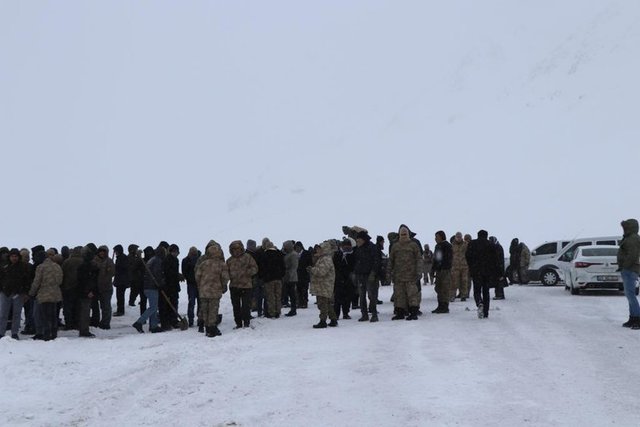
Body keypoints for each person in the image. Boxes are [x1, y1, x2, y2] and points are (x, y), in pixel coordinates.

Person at [195, 242, 229, 337]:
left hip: (204, 291)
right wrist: (223, 285)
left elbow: (197, 276)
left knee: (205, 310)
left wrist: (201, 285)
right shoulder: (221, 264)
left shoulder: (203, 264)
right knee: (213, 310)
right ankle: (212, 328)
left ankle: (207, 327)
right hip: (215, 290)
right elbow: (225, 277)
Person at [28, 248, 63, 341]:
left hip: (43, 293)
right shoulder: (57, 266)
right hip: (55, 293)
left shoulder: (40, 267)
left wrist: (31, 293)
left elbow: (36, 282)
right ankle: (54, 333)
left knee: (44, 315)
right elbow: (60, 281)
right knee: (53, 315)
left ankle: (46, 334)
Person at [389, 226, 423, 320]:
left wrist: (419, 271)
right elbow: (391, 260)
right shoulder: (395, 246)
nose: (403, 236)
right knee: (399, 296)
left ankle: (413, 313)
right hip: (398, 276)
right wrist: (388, 273)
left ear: (408, 234)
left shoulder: (413, 245)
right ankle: (400, 313)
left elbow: (419, 259)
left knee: (412, 295)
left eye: (405, 234)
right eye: (402, 234)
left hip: (411, 276)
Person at [466, 230, 499, 319]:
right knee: (486, 291)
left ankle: (479, 302)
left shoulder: (472, 244)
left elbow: (468, 256)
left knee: (477, 290)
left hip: (476, 271)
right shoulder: (491, 244)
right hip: (487, 272)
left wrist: (471, 267)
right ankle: (486, 312)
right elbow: (496, 259)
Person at [132, 246, 165, 333]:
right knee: (153, 307)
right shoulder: (157, 261)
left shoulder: (152, 260)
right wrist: (160, 284)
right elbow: (157, 274)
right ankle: (139, 322)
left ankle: (153, 326)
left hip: (147, 286)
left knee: (153, 306)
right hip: (152, 286)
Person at [227, 240, 259, 328]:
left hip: (246, 286)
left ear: (241, 248)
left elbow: (255, 268)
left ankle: (246, 323)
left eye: (238, 248)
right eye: (234, 249)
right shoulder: (229, 261)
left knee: (246, 306)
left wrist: (247, 273)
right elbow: (226, 273)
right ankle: (238, 323)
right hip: (234, 287)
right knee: (236, 307)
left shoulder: (248, 257)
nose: (236, 251)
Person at [0, 249, 30, 339]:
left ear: (18, 257)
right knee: (3, 314)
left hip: (18, 293)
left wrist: (25, 292)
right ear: (9, 257)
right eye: (12, 256)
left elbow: (27, 280)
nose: (14, 258)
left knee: (17, 314)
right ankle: (1, 332)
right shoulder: (4, 266)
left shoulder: (23, 266)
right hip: (5, 293)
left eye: (16, 256)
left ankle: (14, 333)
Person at [353, 231, 381, 322]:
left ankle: (374, 314)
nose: (357, 242)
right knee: (362, 296)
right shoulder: (357, 249)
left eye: (359, 240)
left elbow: (377, 261)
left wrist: (373, 273)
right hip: (360, 275)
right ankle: (364, 314)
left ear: (363, 240)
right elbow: (356, 262)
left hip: (370, 275)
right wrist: (355, 273)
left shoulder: (372, 248)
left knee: (372, 296)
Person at [309, 241, 337, 328]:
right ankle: (333, 319)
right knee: (326, 304)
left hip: (324, 286)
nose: (317, 250)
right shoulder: (323, 258)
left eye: (319, 249)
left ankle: (323, 321)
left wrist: (312, 270)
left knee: (323, 304)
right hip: (323, 286)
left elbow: (322, 272)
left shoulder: (326, 259)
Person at [618, 219, 640, 329]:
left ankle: (637, 319)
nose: (624, 229)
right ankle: (633, 318)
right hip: (628, 269)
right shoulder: (629, 237)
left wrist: (625, 265)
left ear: (630, 227)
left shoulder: (633, 238)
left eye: (626, 227)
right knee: (629, 295)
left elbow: (633, 255)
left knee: (631, 295)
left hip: (630, 269)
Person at [76, 246, 99, 338]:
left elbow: (82, 281)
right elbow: (87, 280)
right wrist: (90, 291)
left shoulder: (83, 266)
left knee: (84, 311)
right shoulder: (89, 267)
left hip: (84, 291)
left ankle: (84, 329)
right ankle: (84, 330)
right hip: (87, 292)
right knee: (85, 311)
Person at [260, 238, 285, 319]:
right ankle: (278, 311)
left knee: (270, 296)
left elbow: (262, 268)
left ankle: (272, 312)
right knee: (278, 296)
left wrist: (263, 277)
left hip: (269, 279)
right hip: (278, 278)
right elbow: (283, 266)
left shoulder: (264, 255)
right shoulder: (279, 254)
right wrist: (281, 275)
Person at [91, 246, 115, 329]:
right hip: (96, 287)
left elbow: (112, 273)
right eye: (100, 251)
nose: (102, 253)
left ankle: (105, 323)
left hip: (106, 287)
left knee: (106, 306)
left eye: (103, 251)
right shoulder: (94, 260)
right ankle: (96, 321)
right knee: (97, 306)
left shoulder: (109, 261)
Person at [61, 246, 83, 329]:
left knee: (68, 307)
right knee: (78, 306)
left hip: (68, 287)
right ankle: (77, 323)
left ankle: (69, 324)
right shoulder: (83, 261)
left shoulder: (67, 261)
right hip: (79, 287)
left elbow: (62, 273)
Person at [161, 244, 182, 330]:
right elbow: (168, 273)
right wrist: (176, 276)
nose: (177, 254)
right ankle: (171, 320)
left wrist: (177, 275)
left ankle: (173, 320)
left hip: (173, 285)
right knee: (170, 304)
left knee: (174, 303)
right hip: (169, 286)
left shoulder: (175, 260)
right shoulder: (167, 260)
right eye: (176, 252)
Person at [333, 239, 356, 319]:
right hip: (338, 278)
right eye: (345, 246)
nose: (346, 247)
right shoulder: (337, 254)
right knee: (338, 298)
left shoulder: (352, 255)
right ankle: (336, 314)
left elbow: (353, 266)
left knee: (347, 298)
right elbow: (335, 266)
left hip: (348, 279)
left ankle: (345, 313)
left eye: (348, 246)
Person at [432, 231, 453, 314]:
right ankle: (440, 305)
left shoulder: (447, 246)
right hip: (439, 270)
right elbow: (436, 258)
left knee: (445, 288)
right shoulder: (438, 246)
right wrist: (434, 268)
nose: (435, 239)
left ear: (441, 237)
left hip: (445, 270)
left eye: (436, 237)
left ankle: (445, 306)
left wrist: (443, 266)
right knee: (438, 288)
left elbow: (448, 258)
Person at [182, 246, 200, 328]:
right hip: (193, 284)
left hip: (194, 284)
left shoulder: (186, 260)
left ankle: (197, 320)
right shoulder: (197, 260)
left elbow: (185, 272)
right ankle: (194, 320)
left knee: (194, 302)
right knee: (194, 302)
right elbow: (185, 272)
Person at [451, 232, 470, 301]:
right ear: (455, 237)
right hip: (455, 266)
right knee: (454, 282)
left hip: (464, 266)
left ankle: (463, 295)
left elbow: (469, 254)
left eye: (460, 237)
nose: (459, 238)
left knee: (464, 281)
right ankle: (452, 295)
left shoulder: (465, 244)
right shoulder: (452, 245)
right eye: (457, 237)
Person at [283, 241, 299, 317]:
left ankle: (293, 309)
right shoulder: (289, 254)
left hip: (291, 277)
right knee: (290, 293)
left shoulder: (293, 255)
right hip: (288, 276)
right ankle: (293, 308)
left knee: (292, 294)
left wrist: (289, 275)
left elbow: (294, 266)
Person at [112, 244, 129, 317]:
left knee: (120, 297)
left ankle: (120, 311)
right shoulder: (121, 257)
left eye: (116, 251)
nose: (115, 252)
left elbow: (123, 268)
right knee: (119, 296)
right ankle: (120, 310)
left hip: (121, 281)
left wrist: (115, 267)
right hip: (120, 280)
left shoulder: (122, 258)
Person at [295, 241, 312, 309]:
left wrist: (308, 269)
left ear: (301, 247)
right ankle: (300, 302)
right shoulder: (295, 254)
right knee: (298, 289)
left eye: (298, 247)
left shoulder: (307, 253)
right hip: (297, 274)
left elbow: (310, 263)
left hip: (305, 274)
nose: (297, 249)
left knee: (304, 289)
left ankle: (305, 302)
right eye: (296, 247)